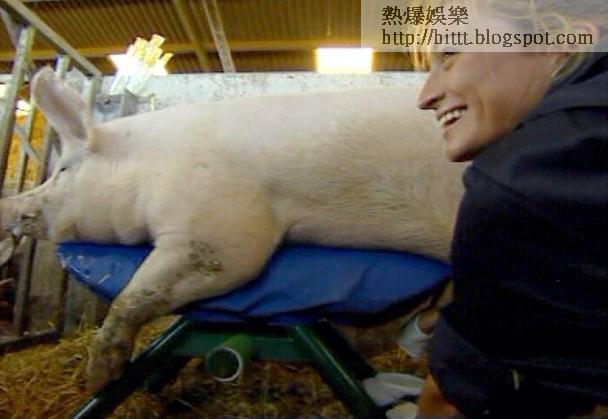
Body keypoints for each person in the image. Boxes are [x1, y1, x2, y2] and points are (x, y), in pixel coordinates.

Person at [412, 1, 608, 417]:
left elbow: (451, 397)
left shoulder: (519, 184)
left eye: (450, 53)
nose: (425, 96)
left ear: (563, 44)